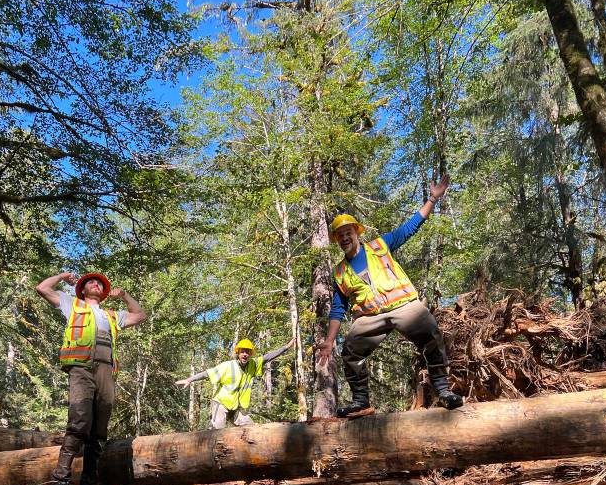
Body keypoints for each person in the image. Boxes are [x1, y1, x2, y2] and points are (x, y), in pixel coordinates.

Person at [316, 174, 463, 416]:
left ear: (356, 232)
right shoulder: (340, 272)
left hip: (403, 305)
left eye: (347, 232)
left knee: (431, 334)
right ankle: (361, 402)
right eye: (339, 235)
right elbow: (337, 308)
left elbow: (409, 228)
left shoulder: (379, 246)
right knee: (351, 351)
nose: (344, 238)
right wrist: (330, 341)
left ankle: (444, 390)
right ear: (336, 241)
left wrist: (433, 200)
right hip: (370, 316)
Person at [35, 270, 148, 485]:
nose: (95, 284)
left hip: (106, 372)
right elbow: (42, 288)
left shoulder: (110, 315)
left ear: (104, 292)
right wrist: (62, 276)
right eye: (91, 282)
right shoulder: (71, 304)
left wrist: (125, 295)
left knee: (99, 431)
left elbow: (140, 315)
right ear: (82, 289)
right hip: (81, 368)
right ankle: (60, 481)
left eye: (99, 283)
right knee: (79, 422)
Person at [176, 337, 295, 428]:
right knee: (217, 435)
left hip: (237, 407)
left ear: (250, 354)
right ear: (238, 353)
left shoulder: (253, 364)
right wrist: (189, 380)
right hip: (221, 404)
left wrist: (286, 347)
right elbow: (208, 373)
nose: (245, 354)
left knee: (251, 430)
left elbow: (268, 357)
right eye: (242, 351)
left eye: (248, 352)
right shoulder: (227, 366)